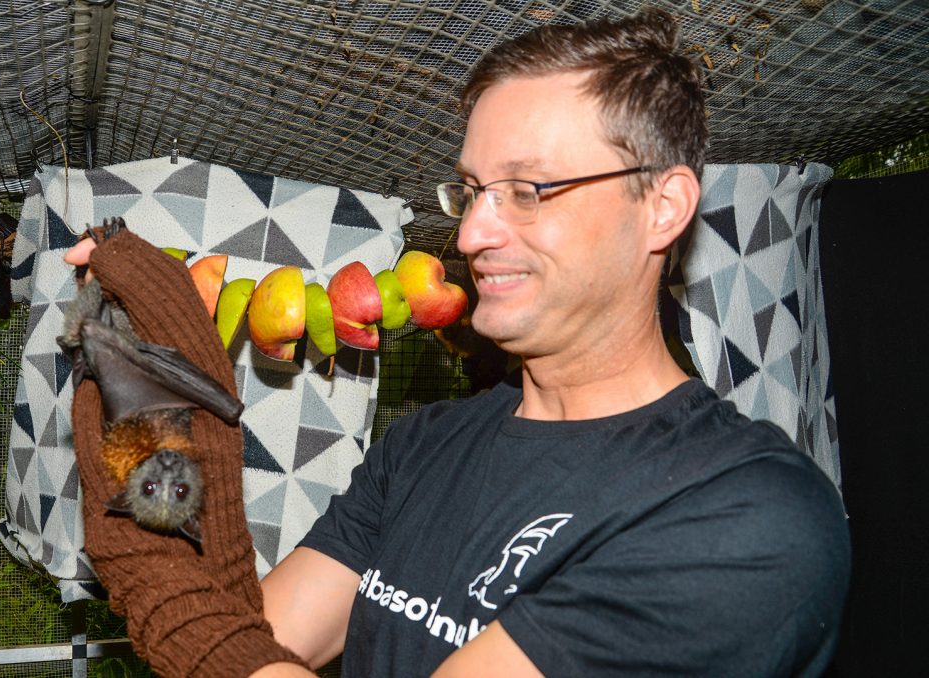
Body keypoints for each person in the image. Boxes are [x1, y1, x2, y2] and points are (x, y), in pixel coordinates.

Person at [66, 9, 850, 677]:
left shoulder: (747, 516)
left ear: (663, 206)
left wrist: (144, 564)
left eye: (528, 190)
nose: (471, 233)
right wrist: (156, 419)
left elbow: (221, 654)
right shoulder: (427, 444)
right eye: (473, 191)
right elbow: (256, 637)